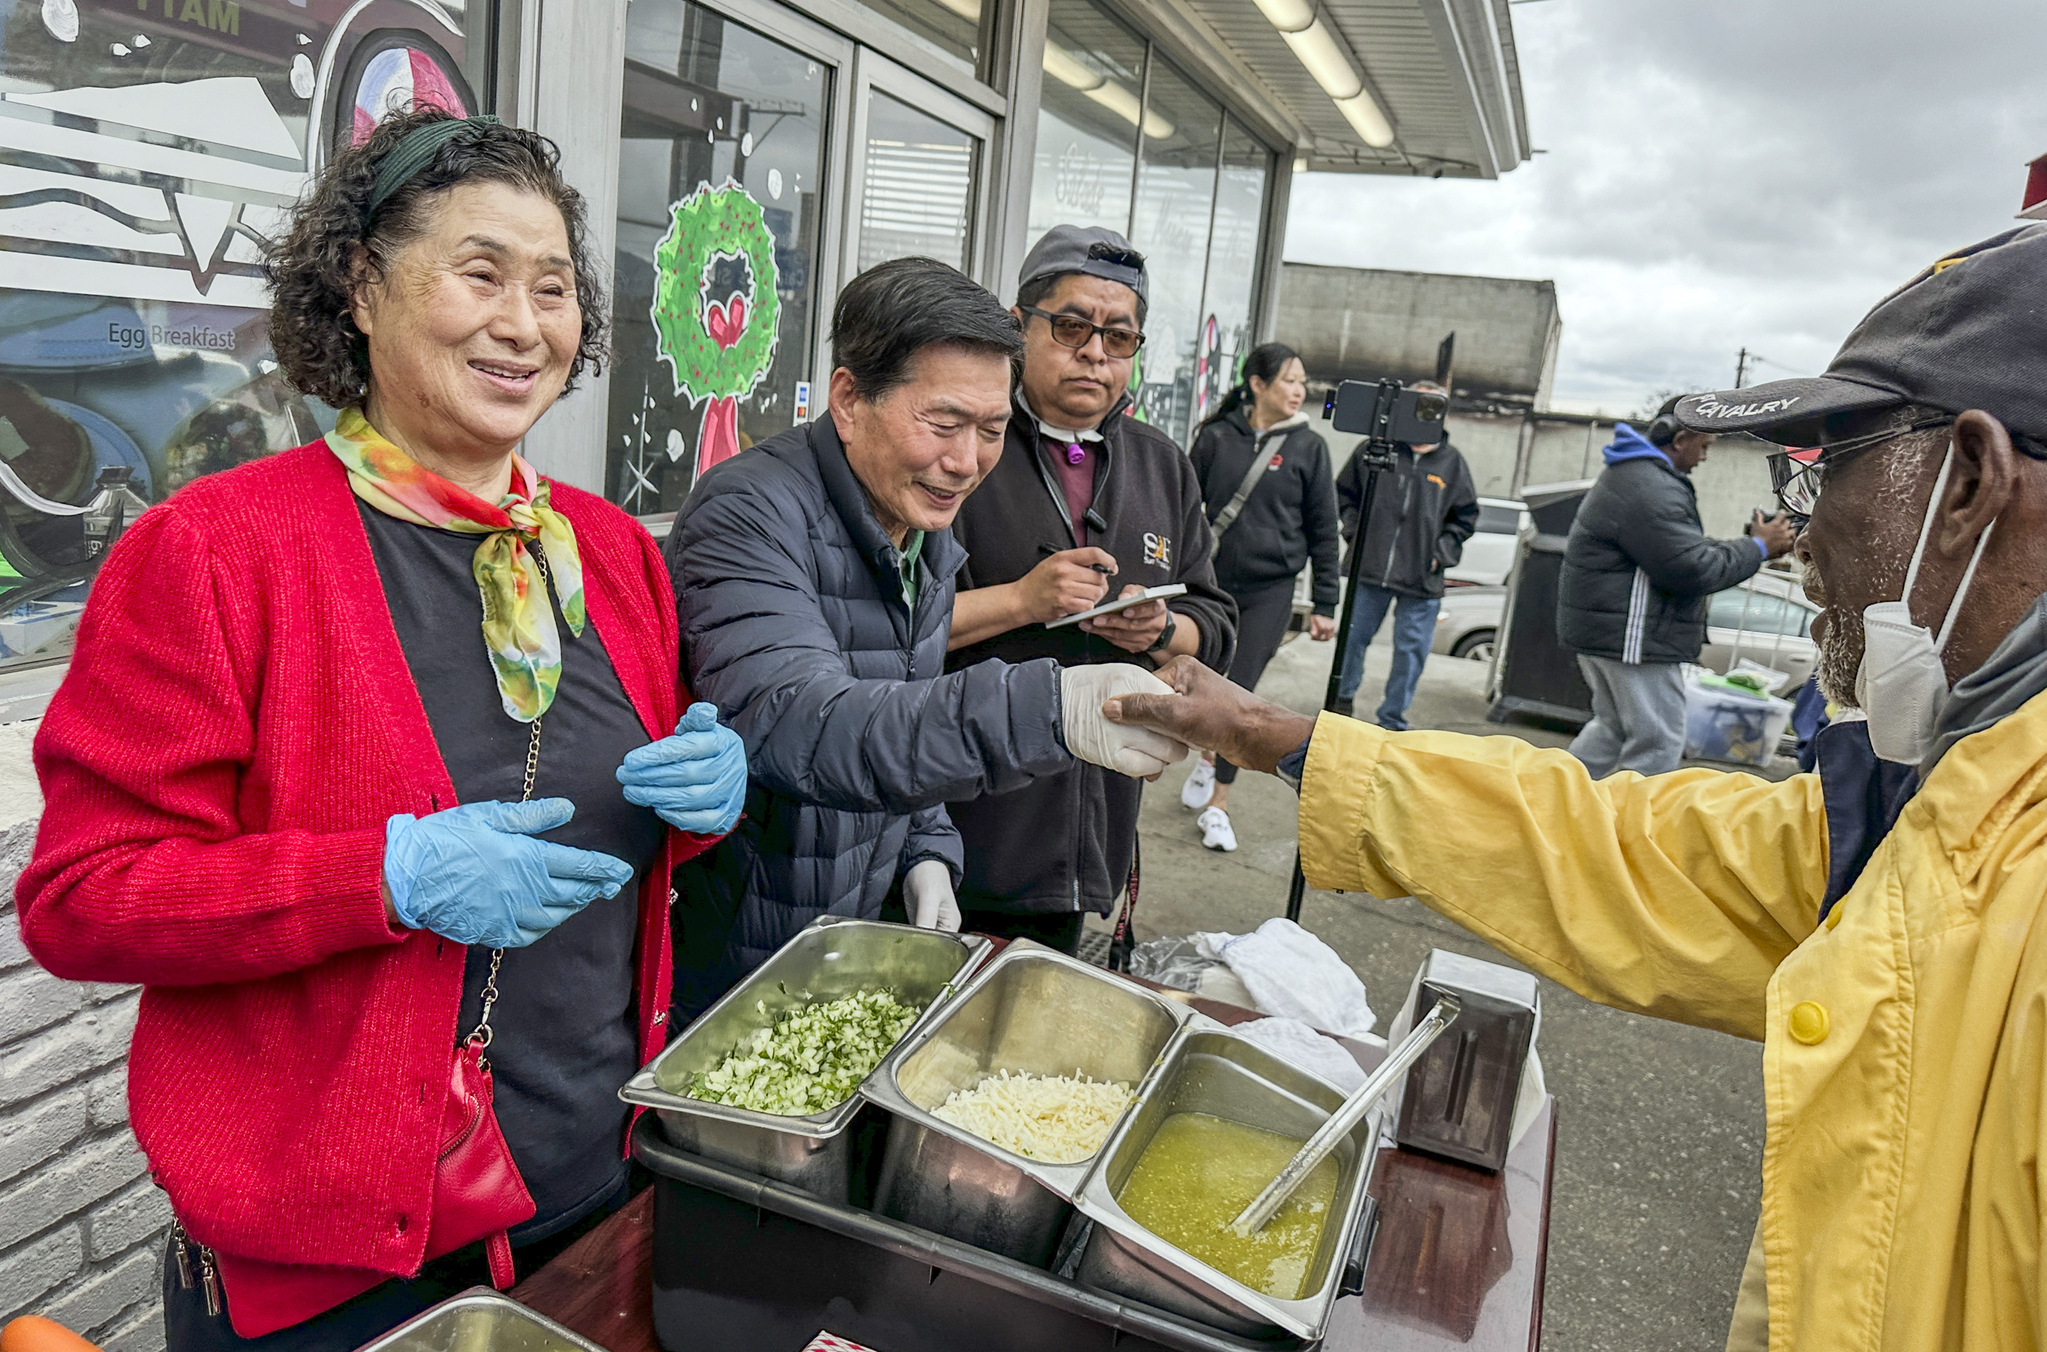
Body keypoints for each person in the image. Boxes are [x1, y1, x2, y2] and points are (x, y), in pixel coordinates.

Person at [1098, 222, 2047, 1352]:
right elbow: (1625, 846)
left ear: (1970, 483)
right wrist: (1282, 734)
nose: (1804, 541)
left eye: (1828, 466)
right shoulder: (1945, 800)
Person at [14, 110, 751, 1352]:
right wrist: (386, 875)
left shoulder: (613, 552)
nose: (525, 324)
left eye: (556, 287)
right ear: (362, 288)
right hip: (332, 1264)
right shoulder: (215, 552)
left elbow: (613, 855)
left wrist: (705, 807)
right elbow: (82, 898)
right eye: (481, 274)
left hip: (592, 1181)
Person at [667, 255, 1186, 1012]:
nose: (965, 461)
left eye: (991, 431)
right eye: (942, 424)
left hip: (840, 928)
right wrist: (1050, 709)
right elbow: (803, 721)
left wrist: (924, 849)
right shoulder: (748, 513)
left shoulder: (919, 526)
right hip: (734, 947)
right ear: (847, 399)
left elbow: (904, 708)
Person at [942, 225, 1236, 954]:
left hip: (1089, 815)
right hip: (957, 810)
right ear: (1018, 326)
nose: (1095, 353)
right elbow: (881, 625)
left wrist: (1161, 631)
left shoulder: (1162, 464)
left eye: (1119, 337)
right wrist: (1022, 601)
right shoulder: (957, 448)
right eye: (1071, 326)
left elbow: (1215, 619)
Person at [1558, 398, 1798, 776]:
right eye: (1703, 446)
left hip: (1613, 634)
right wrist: (1758, 547)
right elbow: (1692, 569)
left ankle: (1555, 803)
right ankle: (1628, 829)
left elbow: (1679, 551)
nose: (1704, 457)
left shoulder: (1634, 475)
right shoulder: (1651, 486)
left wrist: (1752, 545)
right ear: (1678, 437)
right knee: (1659, 740)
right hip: (1634, 639)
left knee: (1613, 730)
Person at [1178, 342, 1339, 852]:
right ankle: (1208, 755)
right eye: (1289, 380)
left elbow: (1323, 531)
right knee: (1203, 680)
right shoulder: (1216, 437)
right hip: (1211, 584)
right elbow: (1179, 511)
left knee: (1241, 689)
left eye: (1302, 382)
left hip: (1271, 590)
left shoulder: (1309, 447)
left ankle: (1219, 803)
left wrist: (1327, 604)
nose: (1299, 390)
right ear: (1258, 385)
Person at [1331, 382, 1476, 729]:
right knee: (1352, 639)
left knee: (1410, 653)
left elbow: (1465, 517)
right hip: (1370, 567)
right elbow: (1343, 494)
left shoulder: (1452, 462)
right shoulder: (1374, 449)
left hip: (1422, 577)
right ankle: (1342, 702)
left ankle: (1392, 719)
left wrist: (1440, 554)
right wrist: (1355, 533)